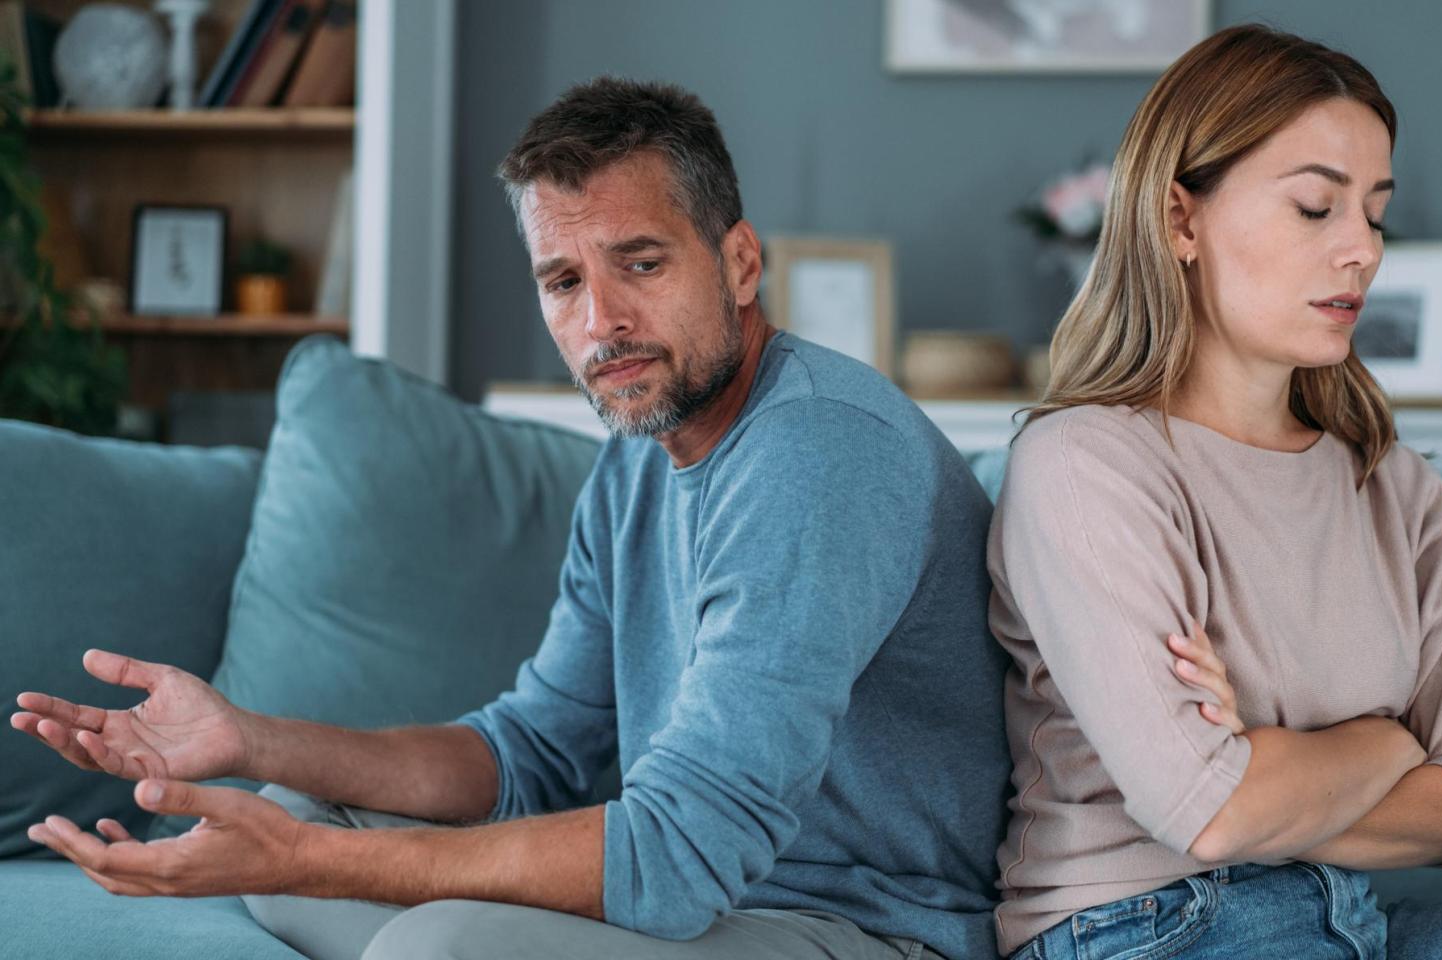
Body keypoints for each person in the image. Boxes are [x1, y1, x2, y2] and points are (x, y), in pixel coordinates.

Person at [11, 78, 1012, 960]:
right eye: (563, 280)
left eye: (643, 264)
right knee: (300, 815)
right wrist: (251, 743)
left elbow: (682, 854)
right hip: (689, 913)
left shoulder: (818, 453)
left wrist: (316, 866)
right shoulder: (635, 464)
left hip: (856, 928)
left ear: (739, 264)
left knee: (425, 931)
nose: (599, 321)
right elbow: (530, 754)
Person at [987, 23, 1442, 960]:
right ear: (1180, 220)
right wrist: (1389, 743)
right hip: (1146, 929)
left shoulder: (1394, 486)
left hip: (1354, 924)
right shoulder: (1086, 467)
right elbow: (1205, 816)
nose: (1362, 249)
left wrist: (1266, 763)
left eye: (1374, 211)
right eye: (1316, 208)